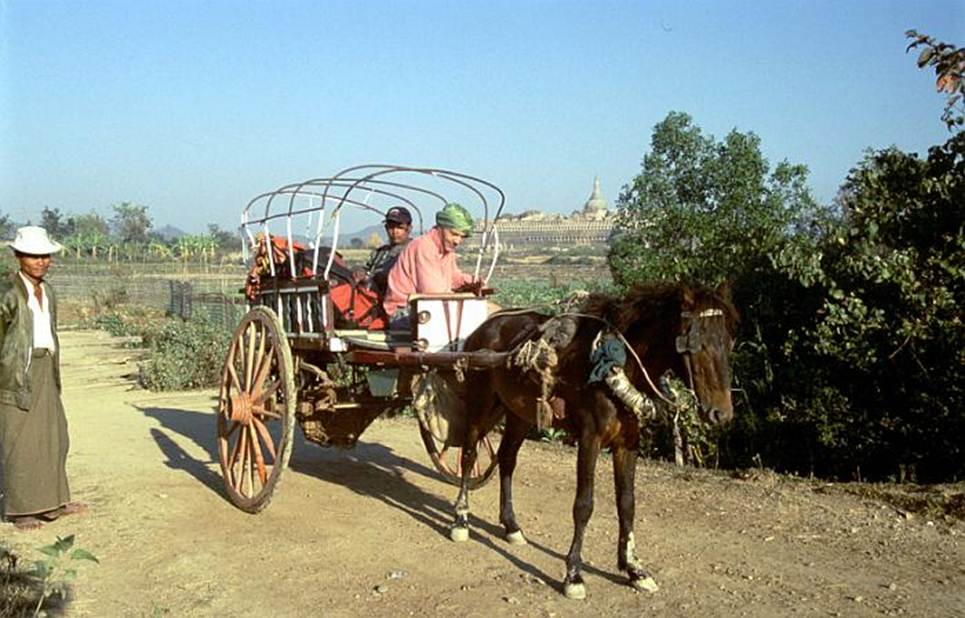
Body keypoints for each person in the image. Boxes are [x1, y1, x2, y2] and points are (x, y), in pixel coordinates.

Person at [0, 226, 85, 530]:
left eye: (45, 256)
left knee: (54, 435)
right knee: (19, 439)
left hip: (45, 367)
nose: (41, 262)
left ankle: (53, 502)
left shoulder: (47, 291)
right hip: (15, 372)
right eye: (34, 256)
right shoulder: (7, 293)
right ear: (18, 256)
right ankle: (21, 509)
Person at [383, 202, 479, 327]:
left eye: (462, 237)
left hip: (426, 306)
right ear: (441, 228)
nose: (458, 241)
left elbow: (454, 277)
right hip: (403, 311)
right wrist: (467, 297)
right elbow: (433, 293)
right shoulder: (424, 246)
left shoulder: (446, 250)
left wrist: (474, 280)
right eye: (454, 234)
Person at [353, 206, 413, 296]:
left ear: (409, 228)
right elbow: (367, 268)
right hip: (372, 298)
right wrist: (360, 271)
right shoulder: (379, 253)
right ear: (386, 228)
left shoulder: (413, 250)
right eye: (391, 227)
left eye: (400, 228)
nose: (395, 232)